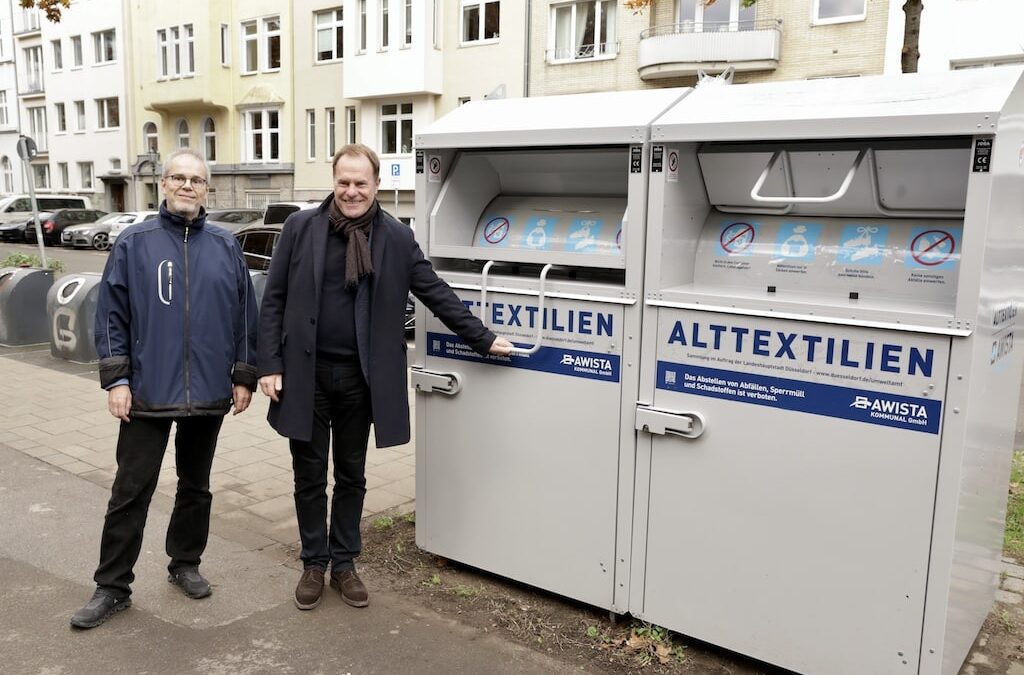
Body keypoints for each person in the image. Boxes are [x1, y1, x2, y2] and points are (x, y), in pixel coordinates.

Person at [258, 143, 513, 611]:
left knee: (351, 474)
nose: (351, 191)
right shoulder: (301, 228)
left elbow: (434, 290)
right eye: (343, 182)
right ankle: (313, 563)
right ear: (333, 182)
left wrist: (483, 338)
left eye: (361, 183)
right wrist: (270, 364)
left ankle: (344, 564)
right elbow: (273, 299)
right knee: (309, 475)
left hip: (362, 379)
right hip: (305, 374)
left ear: (377, 184)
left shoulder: (395, 237)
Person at [70, 148, 259, 629]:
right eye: (178, 177)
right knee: (131, 490)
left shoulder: (225, 245)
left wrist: (243, 375)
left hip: (209, 391)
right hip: (147, 390)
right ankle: (112, 586)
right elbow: (111, 315)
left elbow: (245, 316)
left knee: (196, 487)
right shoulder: (135, 242)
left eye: (196, 179)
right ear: (164, 184)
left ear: (206, 189)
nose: (187, 186)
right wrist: (117, 380)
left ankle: (185, 563)